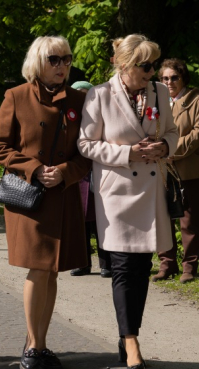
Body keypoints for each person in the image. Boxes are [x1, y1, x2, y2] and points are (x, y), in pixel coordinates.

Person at [0, 36, 90, 369]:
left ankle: (41, 342)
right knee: (38, 267)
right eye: (54, 59)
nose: (62, 65)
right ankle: (33, 347)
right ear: (38, 61)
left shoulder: (80, 99)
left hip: (63, 195)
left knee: (52, 269)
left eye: (66, 59)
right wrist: (34, 169)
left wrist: (63, 172)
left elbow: (88, 154)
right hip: (29, 197)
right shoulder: (16, 96)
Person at [78, 34, 179, 369]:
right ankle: (132, 340)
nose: (151, 72)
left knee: (141, 268)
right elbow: (86, 144)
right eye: (145, 66)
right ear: (123, 65)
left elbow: (174, 133)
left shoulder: (159, 93)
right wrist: (126, 153)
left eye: (153, 65)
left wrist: (164, 146)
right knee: (121, 268)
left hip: (150, 191)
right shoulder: (100, 94)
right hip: (117, 194)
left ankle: (127, 338)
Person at [151, 58, 199, 284]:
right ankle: (167, 263)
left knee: (189, 221)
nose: (169, 82)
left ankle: (189, 267)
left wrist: (170, 149)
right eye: (164, 78)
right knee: (163, 218)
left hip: (189, 169)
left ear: (183, 77)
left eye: (174, 77)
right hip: (161, 169)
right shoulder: (156, 100)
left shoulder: (196, 99)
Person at [69, 80, 113, 279]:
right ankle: (82, 263)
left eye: (85, 94)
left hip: (98, 172)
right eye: (77, 93)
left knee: (101, 222)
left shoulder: (102, 113)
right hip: (77, 175)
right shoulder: (68, 115)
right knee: (80, 222)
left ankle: (107, 264)